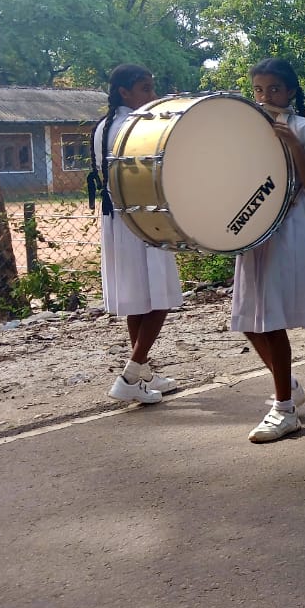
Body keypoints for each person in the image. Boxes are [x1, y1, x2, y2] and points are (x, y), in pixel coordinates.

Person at [237, 58, 305, 443]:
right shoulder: (247, 129)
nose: (265, 97)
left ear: (291, 91)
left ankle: (285, 409)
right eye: (258, 90)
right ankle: (288, 387)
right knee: (247, 320)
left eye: (273, 89)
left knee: (271, 320)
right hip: (251, 231)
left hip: (287, 229)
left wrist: (293, 146)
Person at [89, 64, 184, 404]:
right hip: (144, 218)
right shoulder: (136, 126)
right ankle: (131, 375)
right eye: (145, 88)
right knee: (159, 299)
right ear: (124, 92)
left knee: (138, 300)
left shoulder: (104, 126)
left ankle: (142, 370)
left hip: (117, 220)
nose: (152, 96)